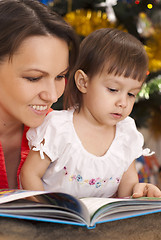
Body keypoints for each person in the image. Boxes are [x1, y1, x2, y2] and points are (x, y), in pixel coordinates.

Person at [21, 28, 161, 198]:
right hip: (57, 219)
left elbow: (127, 189)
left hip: (100, 222)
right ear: (83, 82)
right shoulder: (58, 128)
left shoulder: (126, 133)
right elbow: (29, 174)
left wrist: (140, 191)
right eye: (113, 89)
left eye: (131, 94)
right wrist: (46, 210)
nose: (123, 103)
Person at [0, 0, 79, 189]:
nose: (52, 96)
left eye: (60, 76)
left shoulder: (60, 132)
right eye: (34, 78)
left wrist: (130, 189)